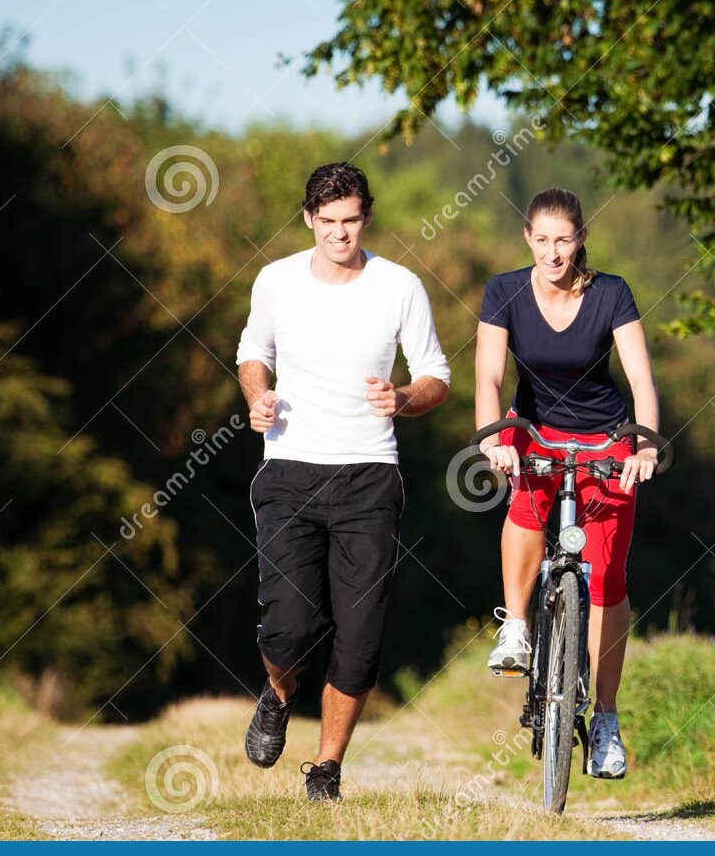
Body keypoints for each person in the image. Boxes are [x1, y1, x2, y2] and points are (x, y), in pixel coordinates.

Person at [235, 162, 451, 801]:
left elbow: (435, 375)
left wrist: (404, 398)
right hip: (290, 471)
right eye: (327, 222)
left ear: (366, 216)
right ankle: (278, 692)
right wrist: (257, 396)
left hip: (369, 475)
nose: (339, 233)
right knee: (289, 629)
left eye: (350, 220)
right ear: (309, 219)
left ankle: (326, 770)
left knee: (360, 639)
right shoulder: (276, 280)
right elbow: (254, 352)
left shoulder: (400, 285)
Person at [474, 187, 661, 779]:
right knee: (526, 509)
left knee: (607, 576)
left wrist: (645, 440)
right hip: (536, 433)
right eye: (543, 240)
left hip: (605, 438)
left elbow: (640, 377)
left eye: (565, 240)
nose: (554, 252)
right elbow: (489, 374)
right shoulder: (504, 291)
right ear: (527, 238)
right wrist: (492, 435)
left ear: (581, 240)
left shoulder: (612, 293)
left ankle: (605, 719)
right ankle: (519, 627)